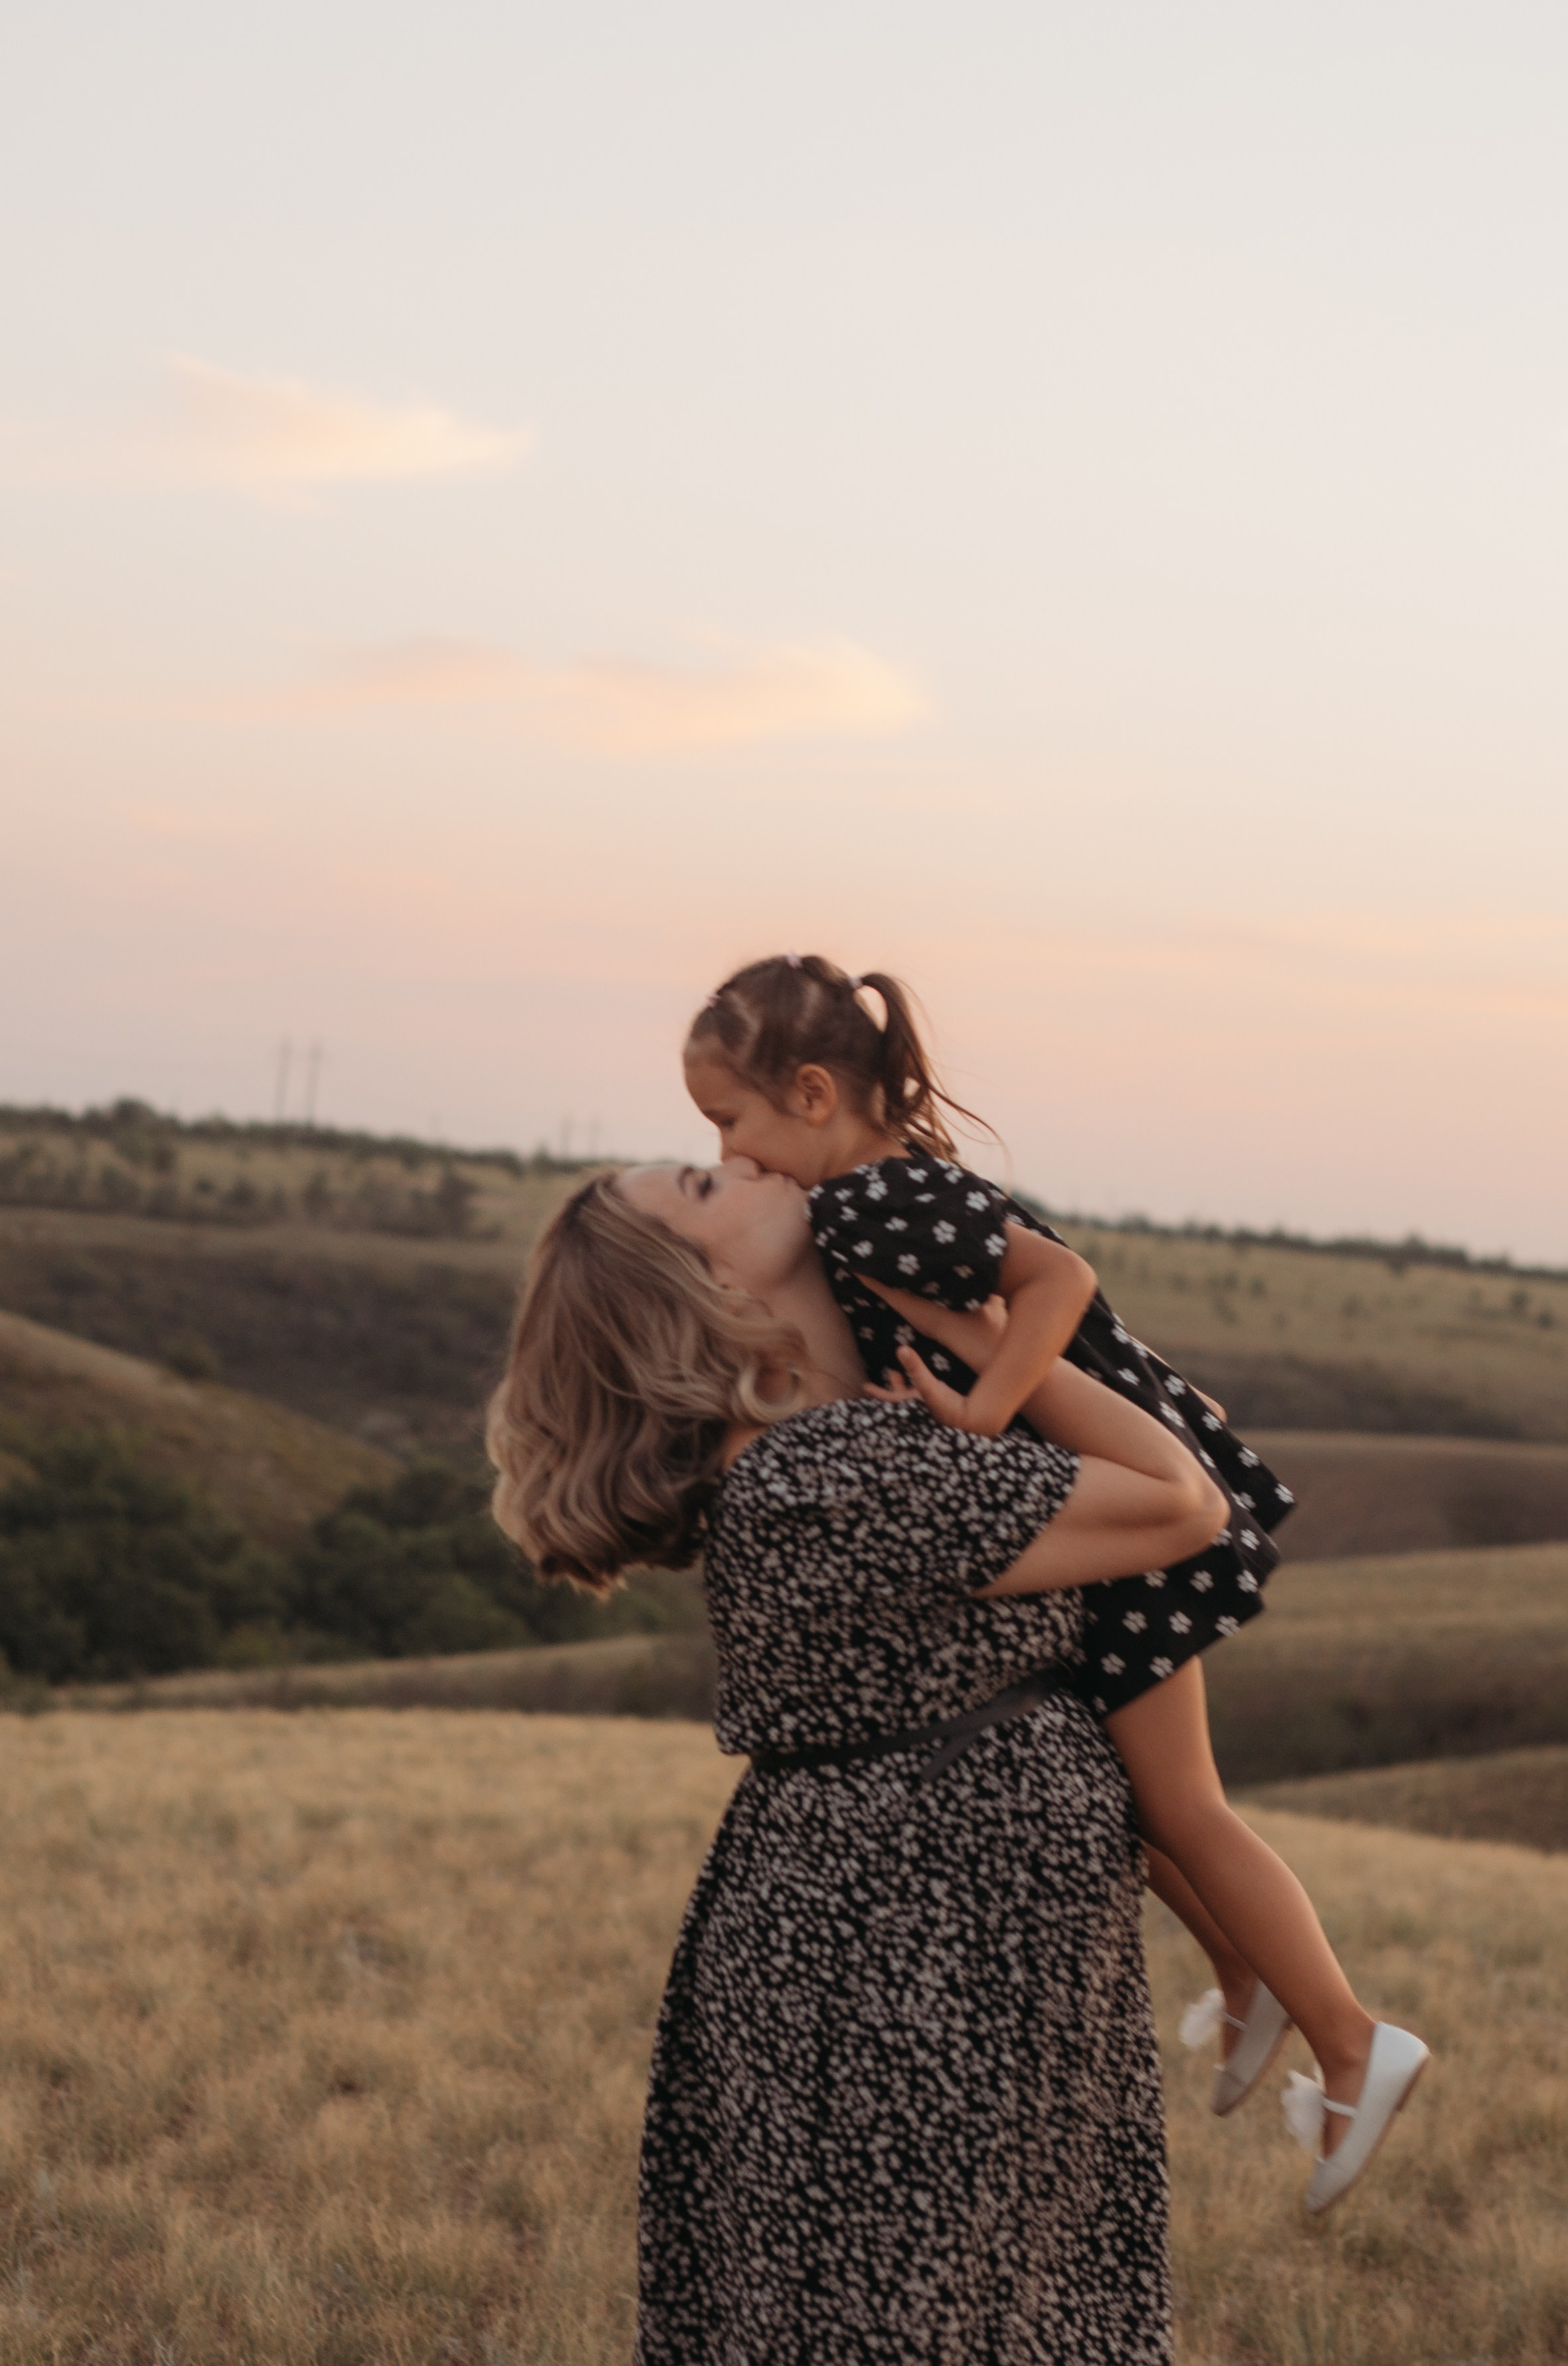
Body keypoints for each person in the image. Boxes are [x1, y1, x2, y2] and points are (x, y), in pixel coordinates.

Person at [683, 953, 1427, 2201]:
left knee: (1183, 1805)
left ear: (813, 1093)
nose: (735, 1154)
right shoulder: (895, 1191)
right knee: (1125, 1792)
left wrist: (983, 1414)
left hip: (1116, 1523)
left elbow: (1060, 1285)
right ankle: (1250, 1986)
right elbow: (1081, 1317)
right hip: (1090, 1505)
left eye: (732, 1123)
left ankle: (1354, 2038)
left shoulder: (866, 1206)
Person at [489, 1155, 1233, 2361]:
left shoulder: (818, 1456)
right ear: (702, 1279)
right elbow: (1180, 1503)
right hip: (918, 1948)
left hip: (923, 1925)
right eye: (700, 1180)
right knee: (925, 2311)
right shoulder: (833, 1476)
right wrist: (994, 1343)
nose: (743, 1159)